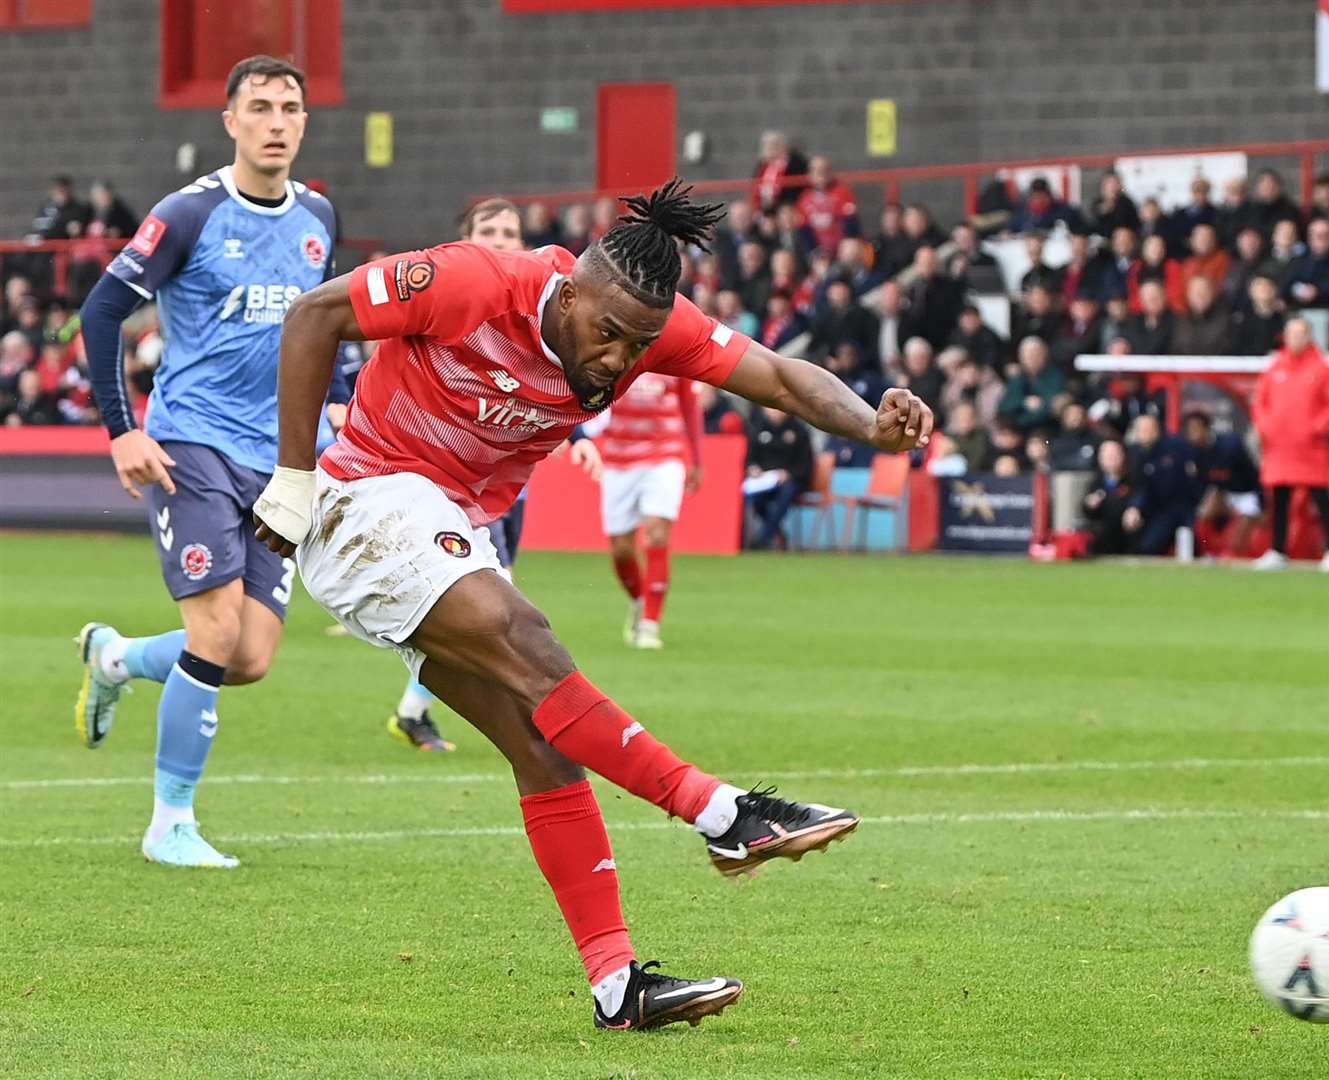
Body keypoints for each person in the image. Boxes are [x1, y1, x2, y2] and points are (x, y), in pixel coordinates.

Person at [250, 180, 932, 1028]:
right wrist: (291, 476)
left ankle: (618, 988)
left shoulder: (650, 331)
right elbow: (316, 314)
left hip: (452, 523)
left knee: (544, 748)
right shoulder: (473, 282)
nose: (616, 359)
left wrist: (873, 425)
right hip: (367, 499)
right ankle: (723, 813)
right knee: (524, 633)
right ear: (567, 293)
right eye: (604, 333)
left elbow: (783, 379)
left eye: (636, 344)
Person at [72, 56, 339, 868]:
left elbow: (327, 324)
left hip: (280, 458)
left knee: (248, 656)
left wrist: (339, 410)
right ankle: (169, 823)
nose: (276, 121)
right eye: (259, 107)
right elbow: (102, 308)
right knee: (215, 628)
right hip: (191, 442)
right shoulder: (187, 215)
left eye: (290, 107)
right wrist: (122, 429)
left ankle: (114, 659)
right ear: (229, 121)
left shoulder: (319, 214)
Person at [380, 198, 604, 753]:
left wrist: (576, 439)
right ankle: (520, 715)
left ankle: (417, 710)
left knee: (493, 605)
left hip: (502, 485)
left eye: (510, 231)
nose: (502, 239)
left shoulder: (538, 311)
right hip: (436, 485)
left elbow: (547, 384)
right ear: (464, 239)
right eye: (489, 230)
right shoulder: (447, 298)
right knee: (492, 608)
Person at [595, 372, 703, 650]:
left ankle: (649, 625)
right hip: (618, 459)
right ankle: (640, 601)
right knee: (621, 549)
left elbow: (690, 406)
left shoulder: (675, 350)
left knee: (657, 534)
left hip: (664, 455)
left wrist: (697, 459)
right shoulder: (616, 347)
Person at [1250, 318, 1329, 571]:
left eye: (1300, 334)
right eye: (1291, 334)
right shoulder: (1274, 368)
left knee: (1321, 497)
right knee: (1280, 499)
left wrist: (1316, 427)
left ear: (1309, 336)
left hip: (1309, 447)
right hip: (1280, 448)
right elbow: (1260, 402)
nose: (1295, 339)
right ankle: (1278, 549)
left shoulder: (1322, 369)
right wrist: (1266, 427)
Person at [1184, 410, 1261, 557]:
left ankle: (1232, 556)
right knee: (1202, 517)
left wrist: (1261, 502)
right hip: (1223, 492)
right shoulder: (1194, 452)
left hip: (1246, 493)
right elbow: (1204, 480)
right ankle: (1208, 552)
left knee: (1240, 532)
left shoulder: (1230, 446)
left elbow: (1252, 474)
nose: (1192, 434)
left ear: (1206, 428)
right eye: (1189, 431)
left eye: (1195, 429)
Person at [1124, 413, 1200, 556]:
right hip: (1156, 508)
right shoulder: (1135, 453)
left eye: (1147, 429)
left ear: (1157, 429)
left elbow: (1191, 477)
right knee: (1147, 547)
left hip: (1182, 505)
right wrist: (1135, 507)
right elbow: (1141, 485)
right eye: (1140, 430)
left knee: (1192, 545)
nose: (1143, 434)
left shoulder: (1176, 447)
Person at [794, 156, 858, 258]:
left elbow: (851, 224)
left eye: (824, 169)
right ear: (810, 174)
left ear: (830, 172)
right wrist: (814, 251)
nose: (820, 174)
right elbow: (803, 229)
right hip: (819, 250)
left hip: (841, 248)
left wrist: (844, 247)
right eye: (816, 170)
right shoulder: (804, 198)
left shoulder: (842, 192)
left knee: (850, 248)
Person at [1081, 439, 1133, 554]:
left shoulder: (1132, 479)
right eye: (1107, 455)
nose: (1111, 458)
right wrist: (1090, 505)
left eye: (1114, 455)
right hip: (1101, 534)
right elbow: (1086, 510)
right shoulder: (1096, 481)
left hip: (1124, 533)